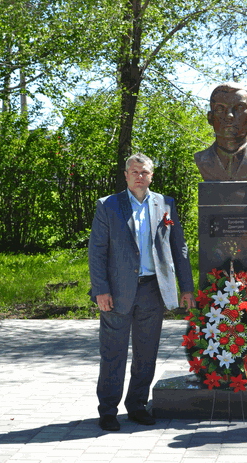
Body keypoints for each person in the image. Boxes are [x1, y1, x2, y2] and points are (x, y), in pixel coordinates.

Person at [88, 152, 195, 432]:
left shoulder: (165, 204)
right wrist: (100, 289)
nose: (139, 176)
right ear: (125, 175)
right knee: (113, 353)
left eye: (144, 172)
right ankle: (108, 411)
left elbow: (178, 249)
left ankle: (137, 406)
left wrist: (186, 287)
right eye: (134, 172)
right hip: (117, 293)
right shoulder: (108, 206)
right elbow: (97, 252)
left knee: (146, 354)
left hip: (153, 290)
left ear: (152, 175)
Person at [194, 82, 247, 181]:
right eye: (220, 108)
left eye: (239, 108)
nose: (229, 116)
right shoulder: (202, 159)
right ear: (210, 117)